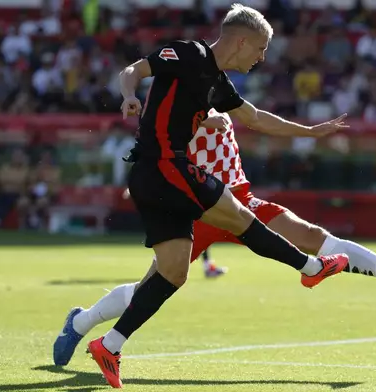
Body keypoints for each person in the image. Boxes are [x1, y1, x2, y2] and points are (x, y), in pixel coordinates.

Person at [69, 4, 357, 388]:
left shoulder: (219, 83)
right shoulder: (189, 53)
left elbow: (254, 118)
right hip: (165, 166)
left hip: (152, 177)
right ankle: (311, 268)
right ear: (241, 41)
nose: (262, 58)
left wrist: (311, 131)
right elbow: (133, 70)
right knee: (240, 215)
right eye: (260, 49)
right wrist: (128, 95)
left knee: (173, 272)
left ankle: (110, 344)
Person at [53, 109, 376, 375]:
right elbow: (160, 141)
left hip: (240, 201)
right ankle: (82, 321)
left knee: (313, 236)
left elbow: (258, 118)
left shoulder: (218, 90)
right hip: (199, 208)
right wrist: (202, 118)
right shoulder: (178, 108)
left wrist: (309, 131)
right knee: (152, 286)